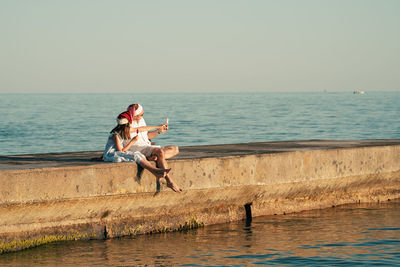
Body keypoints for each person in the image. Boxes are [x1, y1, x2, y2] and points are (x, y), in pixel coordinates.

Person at [125, 103, 182, 193]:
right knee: (159, 152)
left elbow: (146, 136)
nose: (142, 116)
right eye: (141, 114)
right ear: (135, 115)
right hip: (136, 148)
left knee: (175, 149)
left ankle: (151, 158)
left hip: (147, 146)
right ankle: (169, 180)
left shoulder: (141, 120)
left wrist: (159, 131)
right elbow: (138, 133)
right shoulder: (127, 123)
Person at [103, 111, 171, 182]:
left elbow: (142, 128)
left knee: (138, 155)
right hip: (112, 154)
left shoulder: (125, 130)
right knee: (136, 155)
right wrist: (132, 141)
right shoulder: (116, 134)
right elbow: (120, 151)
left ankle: (156, 172)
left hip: (119, 151)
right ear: (127, 124)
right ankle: (156, 171)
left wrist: (159, 127)